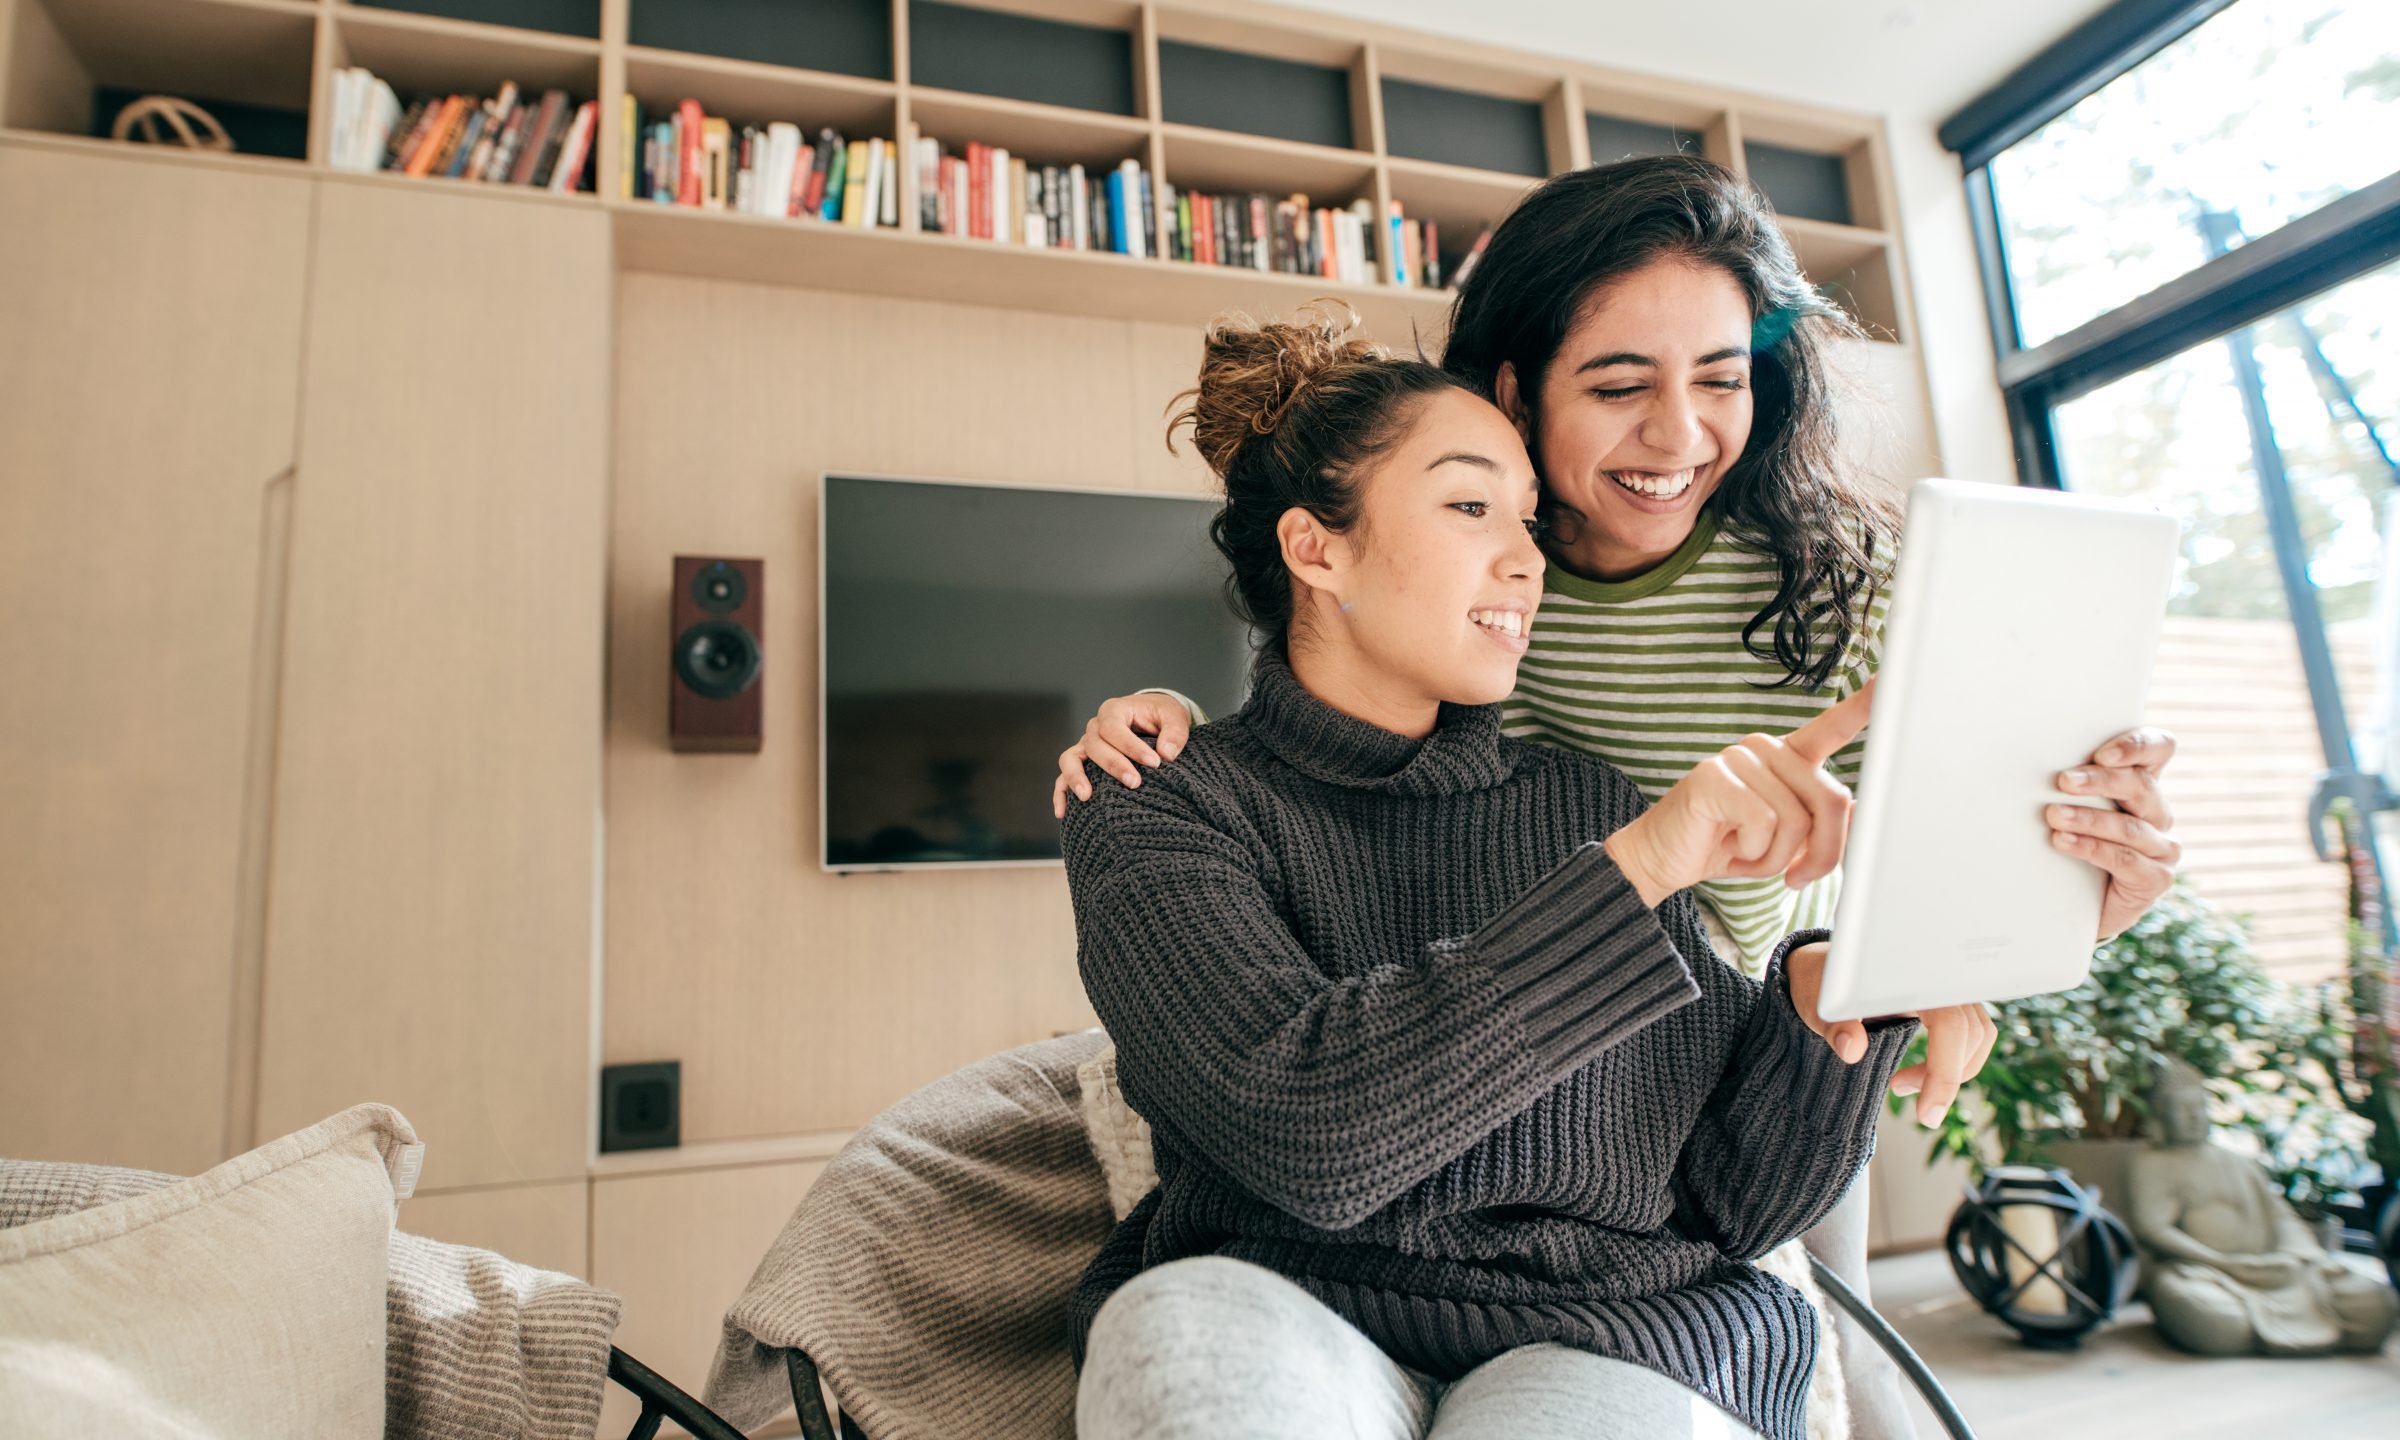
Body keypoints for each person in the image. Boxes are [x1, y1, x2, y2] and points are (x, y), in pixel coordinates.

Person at [1056, 154, 2182, 1439]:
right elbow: (1323, 730)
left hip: (1673, 1174)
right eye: (1617, 385)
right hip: (1322, 1243)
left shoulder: (1836, 598)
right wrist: (1176, 741)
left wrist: (2016, 914)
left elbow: (1735, 1167)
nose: (1677, 437)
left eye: (1719, 379)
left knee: (1847, 1359)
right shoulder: (1199, 783)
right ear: (1517, 390)